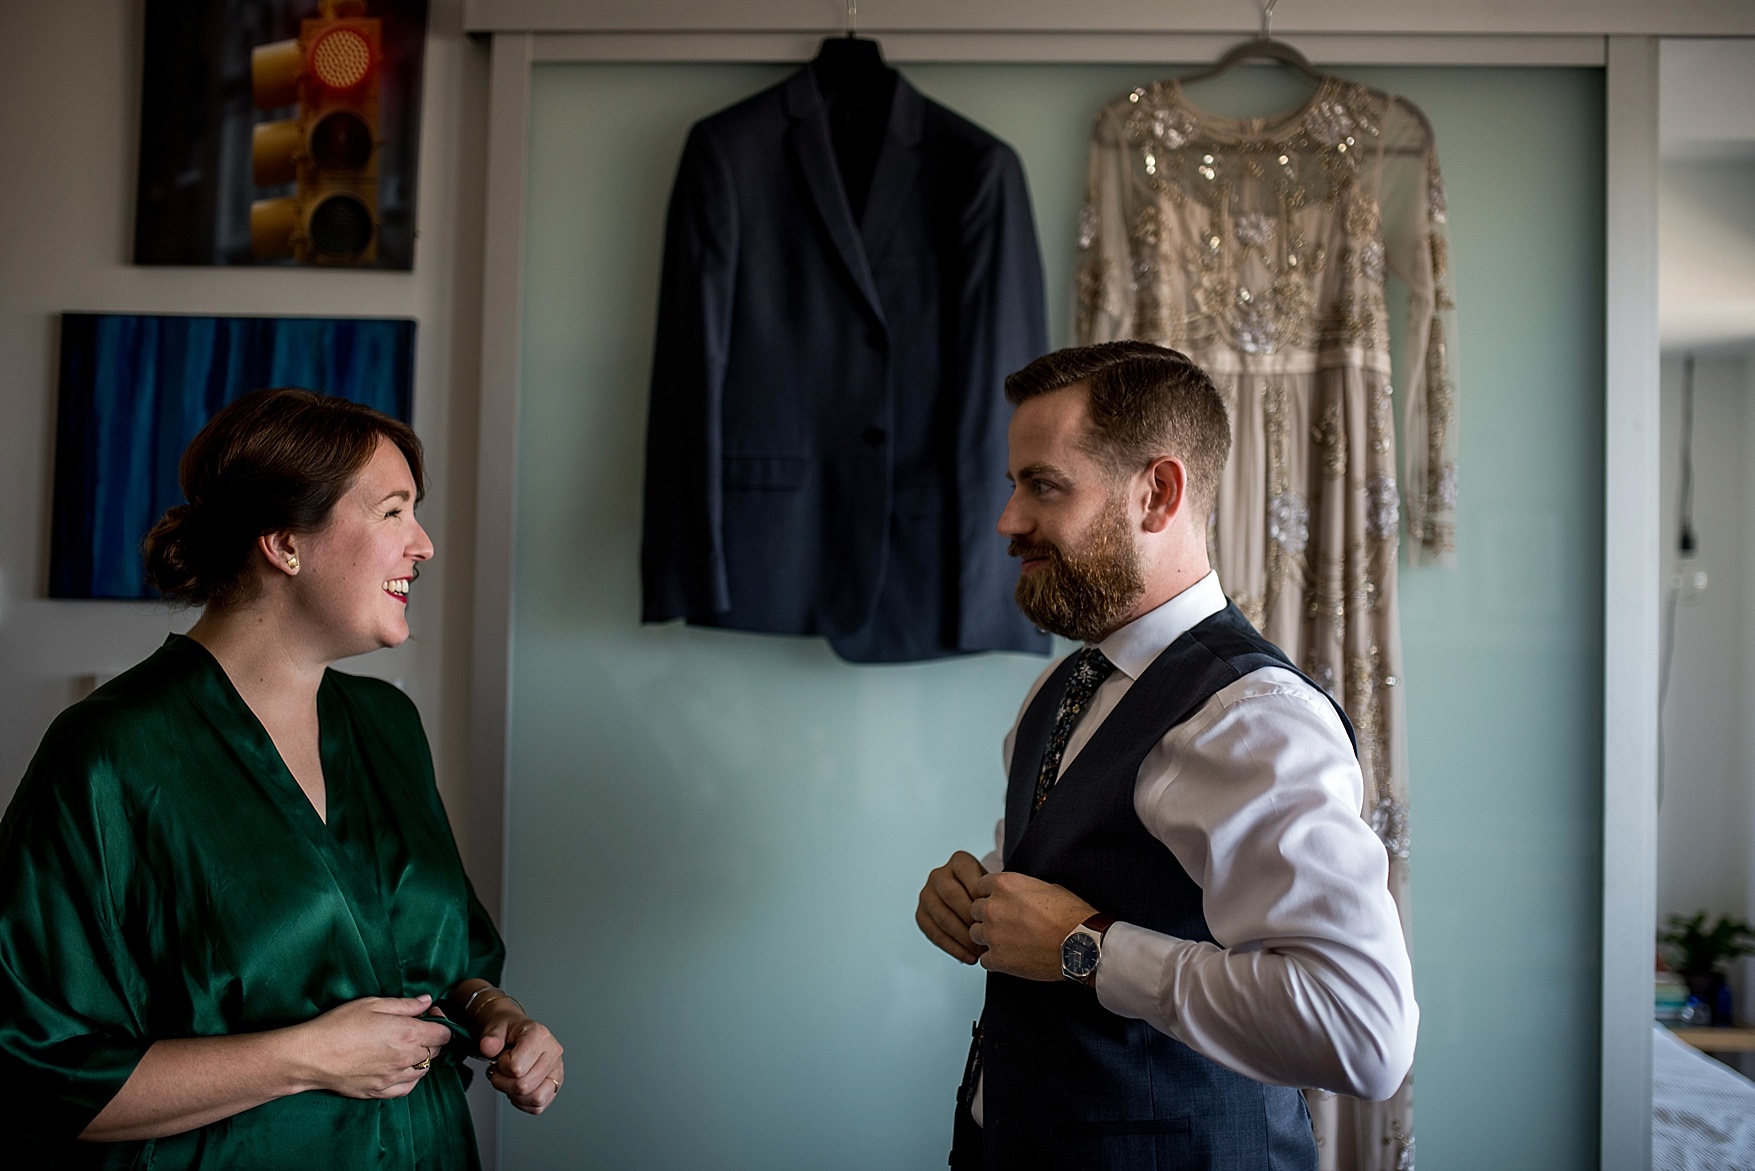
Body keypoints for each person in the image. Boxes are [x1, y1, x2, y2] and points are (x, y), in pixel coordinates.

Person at [0, 389, 563, 1169]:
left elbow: (451, 956)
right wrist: (303, 1056)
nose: (424, 544)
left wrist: (499, 1015)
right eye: (394, 511)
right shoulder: (109, 753)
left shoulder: (388, 724)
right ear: (285, 544)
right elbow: (32, 1070)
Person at [915, 343, 1416, 1170]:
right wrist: (975, 894)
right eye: (1012, 485)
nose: (1007, 520)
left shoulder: (1253, 720)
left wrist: (1087, 947)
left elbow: (1360, 1030)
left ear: (1157, 492)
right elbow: (1068, 877)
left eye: (1041, 484)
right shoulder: (1060, 686)